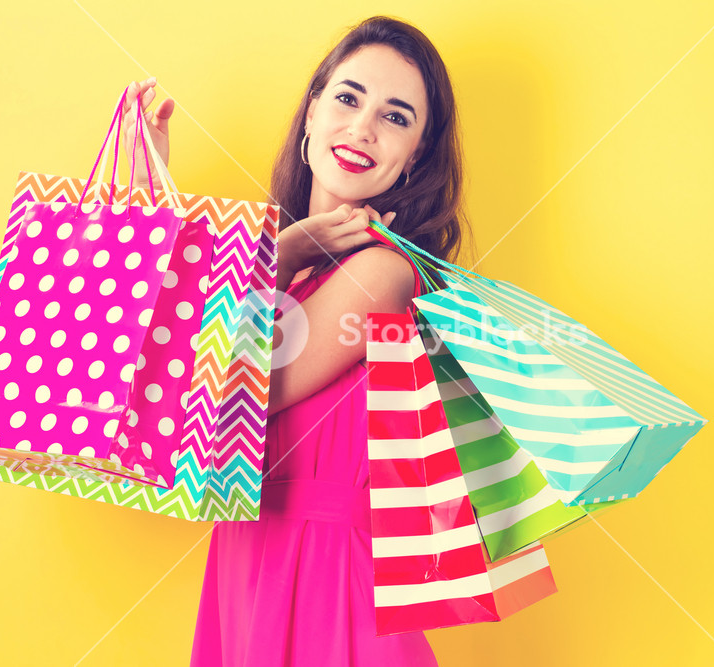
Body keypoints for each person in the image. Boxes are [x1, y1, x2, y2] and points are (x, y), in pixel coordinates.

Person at [121, 15, 468, 666]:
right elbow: (155, 377)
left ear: (415, 153)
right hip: (248, 571)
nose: (362, 128)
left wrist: (276, 253)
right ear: (311, 114)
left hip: (331, 593)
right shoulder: (296, 274)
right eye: (347, 97)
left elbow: (217, 396)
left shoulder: (384, 274)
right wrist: (147, 204)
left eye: (396, 117)